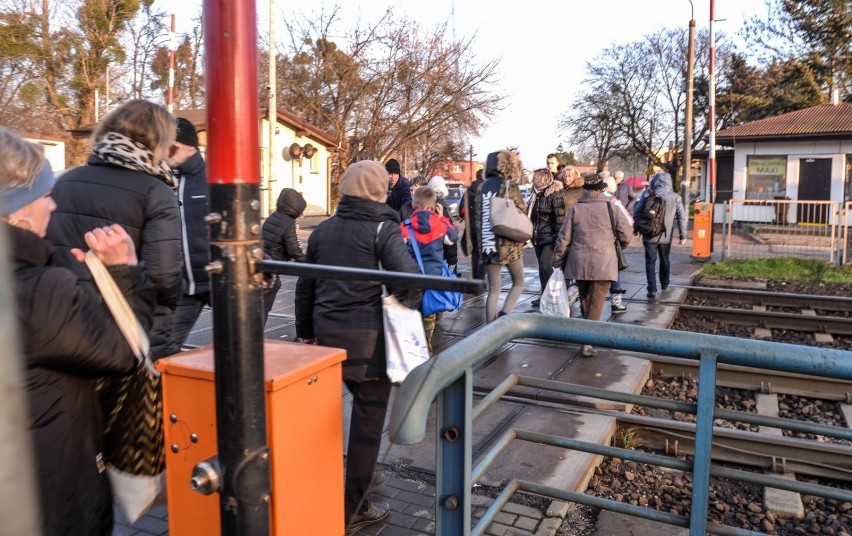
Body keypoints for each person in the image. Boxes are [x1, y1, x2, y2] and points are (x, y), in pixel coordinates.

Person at [1, 126, 156, 535]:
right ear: (15, 211)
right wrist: (123, 271)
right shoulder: (36, 292)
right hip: (45, 495)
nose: (52, 205)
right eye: (43, 195)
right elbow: (125, 351)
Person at [294, 160, 421, 534]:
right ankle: (353, 510)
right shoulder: (384, 228)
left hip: (326, 340)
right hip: (369, 347)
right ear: (380, 190)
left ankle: (347, 479)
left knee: (325, 421)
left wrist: (305, 332)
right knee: (366, 428)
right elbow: (409, 284)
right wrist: (406, 304)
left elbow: (306, 285)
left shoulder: (323, 229)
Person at [47, 99, 183, 360]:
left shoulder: (64, 181)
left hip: (67, 319)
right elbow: (164, 277)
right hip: (133, 322)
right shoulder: (157, 192)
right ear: (160, 141)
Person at [552, 173, 631, 356]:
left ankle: (586, 338)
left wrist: (557, 260)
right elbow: (626, 235)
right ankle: (588, 343)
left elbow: (564, 239)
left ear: (585, 189)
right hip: (604, 262)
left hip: (579, 262)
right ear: (602, 189)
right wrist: (618, 246)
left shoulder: (575, 209)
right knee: (596, 303)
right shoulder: (613, 209)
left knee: (585, 300)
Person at [166, 117, 210, 353]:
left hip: (217, 279)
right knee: (165, 346)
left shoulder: (212, 179)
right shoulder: (162, 178)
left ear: (190, 148)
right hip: (183, 284)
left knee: (237, 348)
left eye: (171, 147)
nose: (165, 152)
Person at [401, 186, 458, 354]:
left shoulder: (405, 226)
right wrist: (442, 219)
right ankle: (427, 342)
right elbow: (452, 239)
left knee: (414, 309)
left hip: (412, 276)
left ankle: (413, 342)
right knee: (429, 311)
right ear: (433, 206)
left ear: (413, 205)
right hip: (434, 276)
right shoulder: (440, 225)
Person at [475, 150, 527, 322]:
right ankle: (503, 316)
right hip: (508, 244)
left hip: (488, 244)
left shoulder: (482, 187)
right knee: (519, 282)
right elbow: (521, 208)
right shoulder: (507, 185)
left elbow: (478, 217)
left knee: (494, 289)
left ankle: (490, 328)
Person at [633, 172, 687, 299]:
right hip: (665, 236)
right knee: (665, 259)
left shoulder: (647, 194)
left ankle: (652, 289)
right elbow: (681, 217)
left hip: (648, 233)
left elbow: (636, 212)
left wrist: (636, 229)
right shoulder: (676, 198)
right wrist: (682, 235)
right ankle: (665, 284)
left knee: (650, 261)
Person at [261, 188, 307, 323]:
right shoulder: (289, 222)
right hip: (271, 269)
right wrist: (307, 263)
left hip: (264, 264)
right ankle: (255, 339)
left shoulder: (273, 216)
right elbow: (294, 249)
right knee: (264, 307)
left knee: (260, 304)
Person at [528, 168, 569, 307]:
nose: (533, 180)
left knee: (546, 265)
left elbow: (559, 218)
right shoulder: (535, 194)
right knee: (541, 267)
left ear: (543, 179)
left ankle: (553, 296)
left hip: (550, 238)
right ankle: (544, 296)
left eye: (535, 177)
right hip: (538, 236)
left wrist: (557, 238)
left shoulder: (554, 194)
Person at [604, 175, 634, 313]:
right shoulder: (615, 203)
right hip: (610, 243)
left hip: (589, 245)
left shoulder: (586, 201)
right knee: (615, 271)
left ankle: (575, 297)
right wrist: (623, 243)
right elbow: (628, 222)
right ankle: (616, 302)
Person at [427, 175, 459, 274]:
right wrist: (452, 261)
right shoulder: (441, 207)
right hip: (441, 255)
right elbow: (449, 237)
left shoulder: (427, 205)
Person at [459, 168, 485, 280]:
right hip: (485, 226)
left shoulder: (468, 191)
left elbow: (461, 210)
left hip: (472, 226)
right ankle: (480, 278)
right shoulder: (487, 190)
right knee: (483, 253)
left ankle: (475, 277)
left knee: (475, 252)